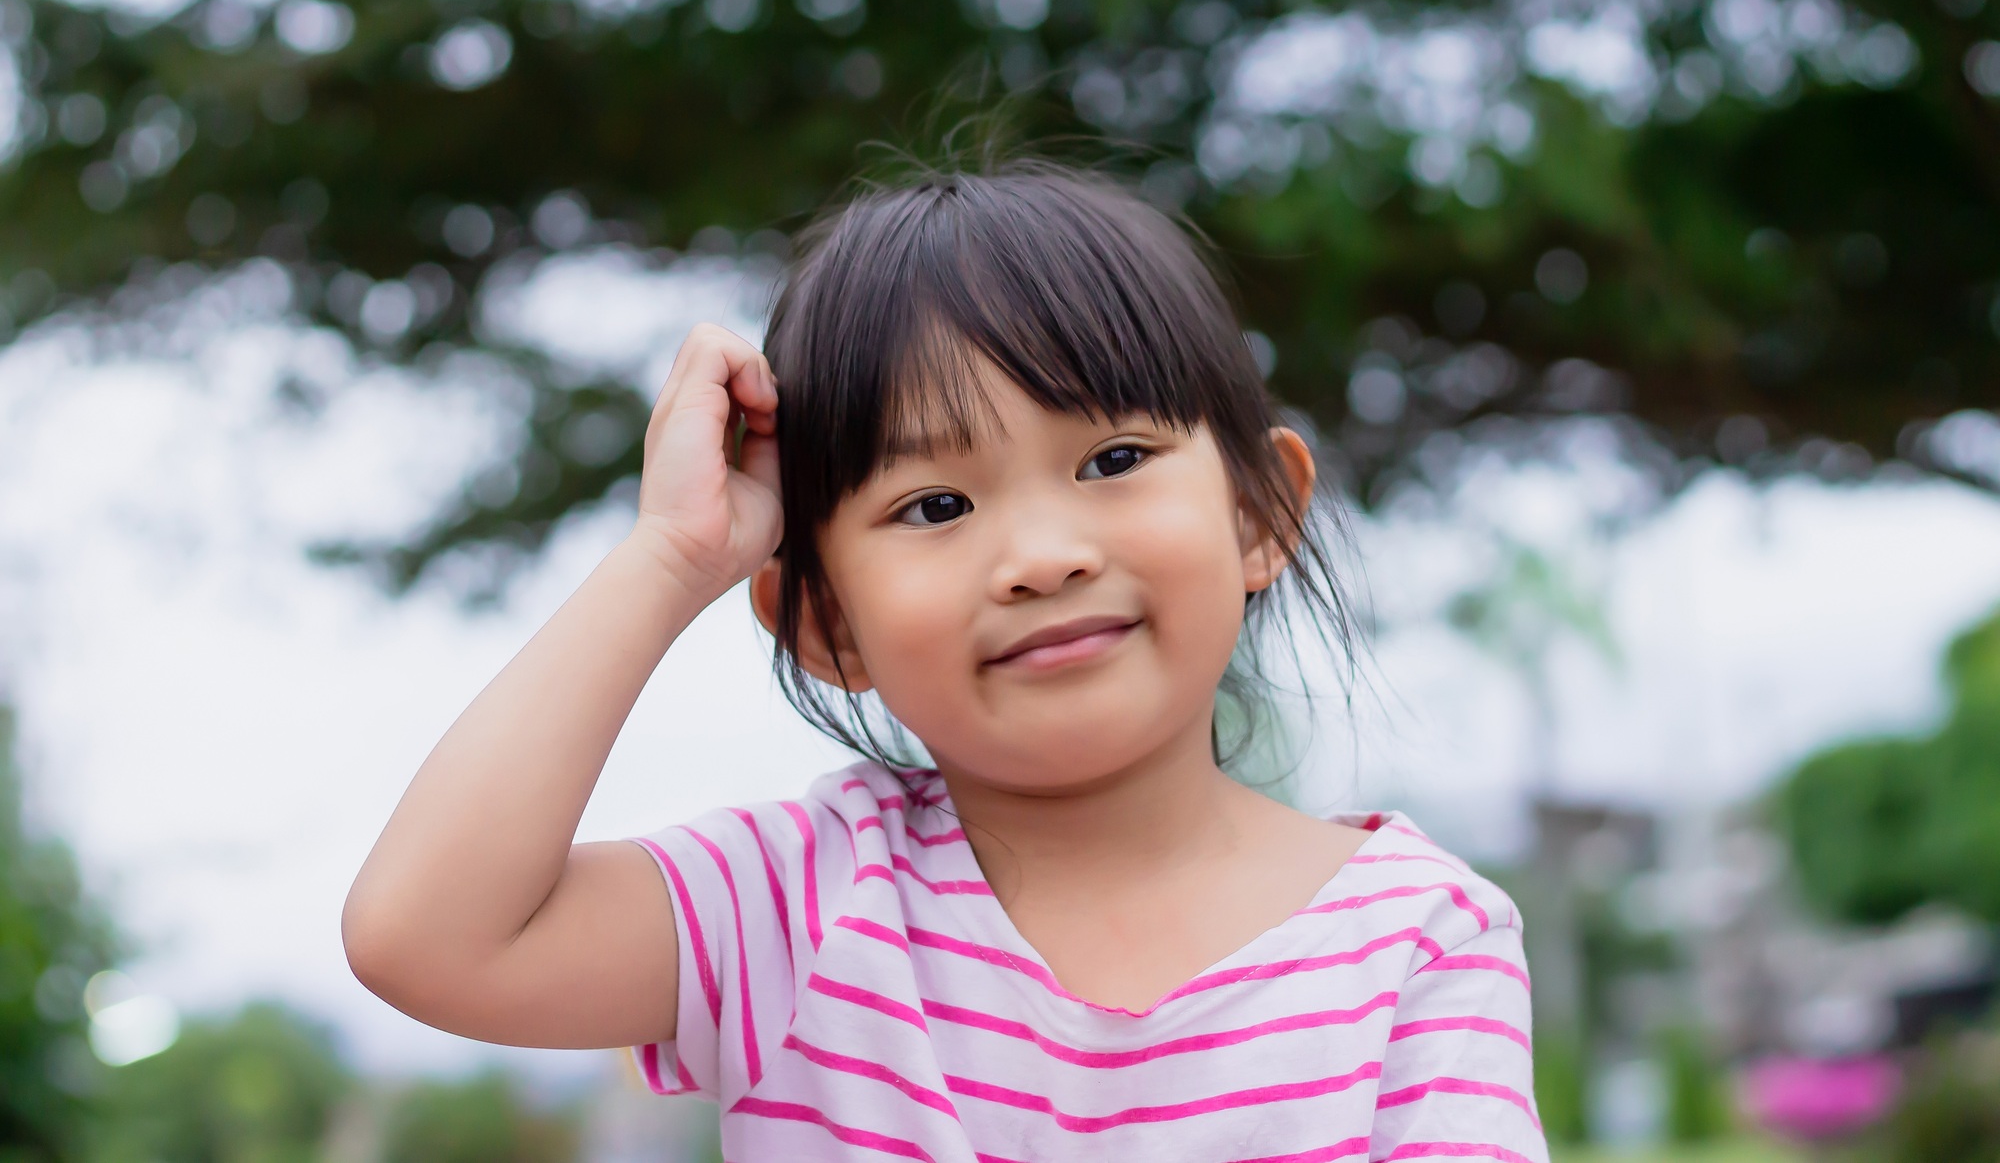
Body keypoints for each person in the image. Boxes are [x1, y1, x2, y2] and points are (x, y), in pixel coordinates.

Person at [343, 165, 1548, 1162]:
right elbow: (424, 936)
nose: (1036, 556)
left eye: (1114, 458)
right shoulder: (803, 907)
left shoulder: (1417, 943)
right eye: (933, 505)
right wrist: (668, 556)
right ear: (829, 627)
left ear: (1258, 515)